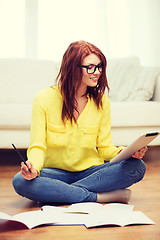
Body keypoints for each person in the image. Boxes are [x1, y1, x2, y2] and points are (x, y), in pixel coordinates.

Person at [12, 41, 147, 204]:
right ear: (73, 67)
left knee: (137, 166)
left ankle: (58, 192)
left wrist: (125, 152)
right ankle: (96, 197)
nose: (97, 72)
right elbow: (37, 146)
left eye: (100, 66)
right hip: (53, 172)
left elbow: (104, 148)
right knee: (20, 181)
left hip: (90, 172)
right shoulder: (43, 98)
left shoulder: (102, 101)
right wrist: (32, 168)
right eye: (90, 67)